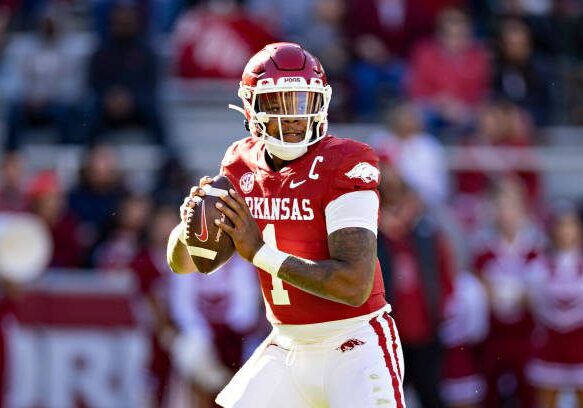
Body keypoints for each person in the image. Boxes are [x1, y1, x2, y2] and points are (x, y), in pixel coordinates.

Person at [167, 42, 405, 407]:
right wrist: (190, 227)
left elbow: (354, 284)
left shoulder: (345, 163)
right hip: (286, 345)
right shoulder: (241, 163)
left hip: (354, 344)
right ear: (252, 106)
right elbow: (185, 263)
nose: (292, 117)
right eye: (278, 102)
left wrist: (260, 253)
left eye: (302, 101)